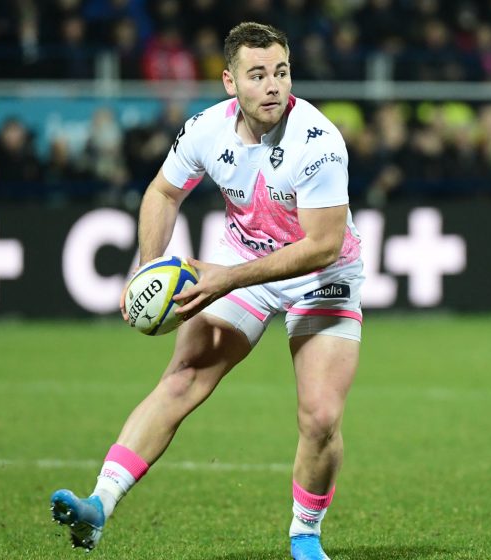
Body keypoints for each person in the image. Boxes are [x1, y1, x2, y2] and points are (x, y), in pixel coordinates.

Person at [49, 22, 364, 560]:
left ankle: (305, 535)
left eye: (282, 72)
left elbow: (322, 246)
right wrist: (149, 270)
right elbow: (163, 192)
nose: (273, 86)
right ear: (228, 82)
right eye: (258, 74)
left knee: (320, 416)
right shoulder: (204, 131)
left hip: (321, 277)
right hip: (244, 257)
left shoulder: (318, 141)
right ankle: (99, 505)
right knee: (184, 377)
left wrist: (224, 278)